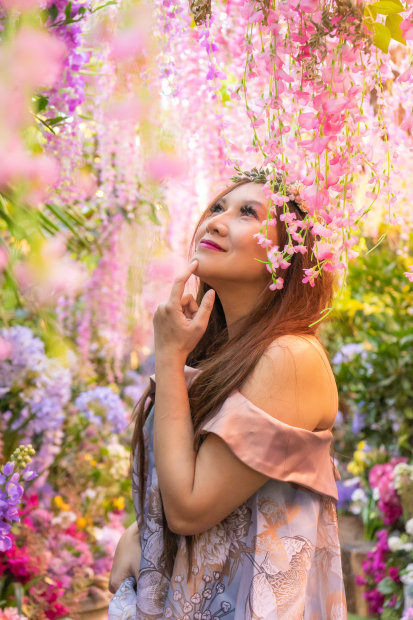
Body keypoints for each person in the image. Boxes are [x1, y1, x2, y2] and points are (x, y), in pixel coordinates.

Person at [108, 173, 347, 619]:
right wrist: (140, 533)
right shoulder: (222, 354)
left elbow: (189, 509)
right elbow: (205, 484)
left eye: (247, 213)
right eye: (218, 207)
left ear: (288, 255)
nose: (216, 222)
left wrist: (168, 356)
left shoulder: (290, 357)